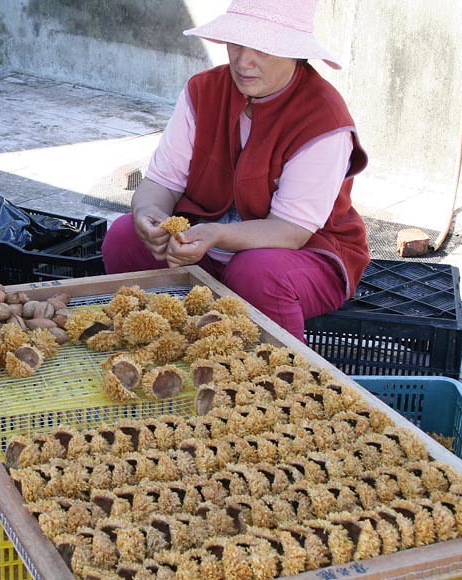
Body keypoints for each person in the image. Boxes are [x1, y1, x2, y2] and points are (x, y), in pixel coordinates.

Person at [102, 0, 370, 341]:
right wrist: (148, 214)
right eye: (237, 43)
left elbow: (290, 231)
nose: (244, 62)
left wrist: (215, 235)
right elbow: (162, 182)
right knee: (125, 237)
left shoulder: (323, 119)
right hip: (207, 245)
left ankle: (280, 379)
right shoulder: (203, 91)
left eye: (263, 49)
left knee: (255, 272)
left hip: (302, 257)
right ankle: (155, 347)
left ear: (295, 53)